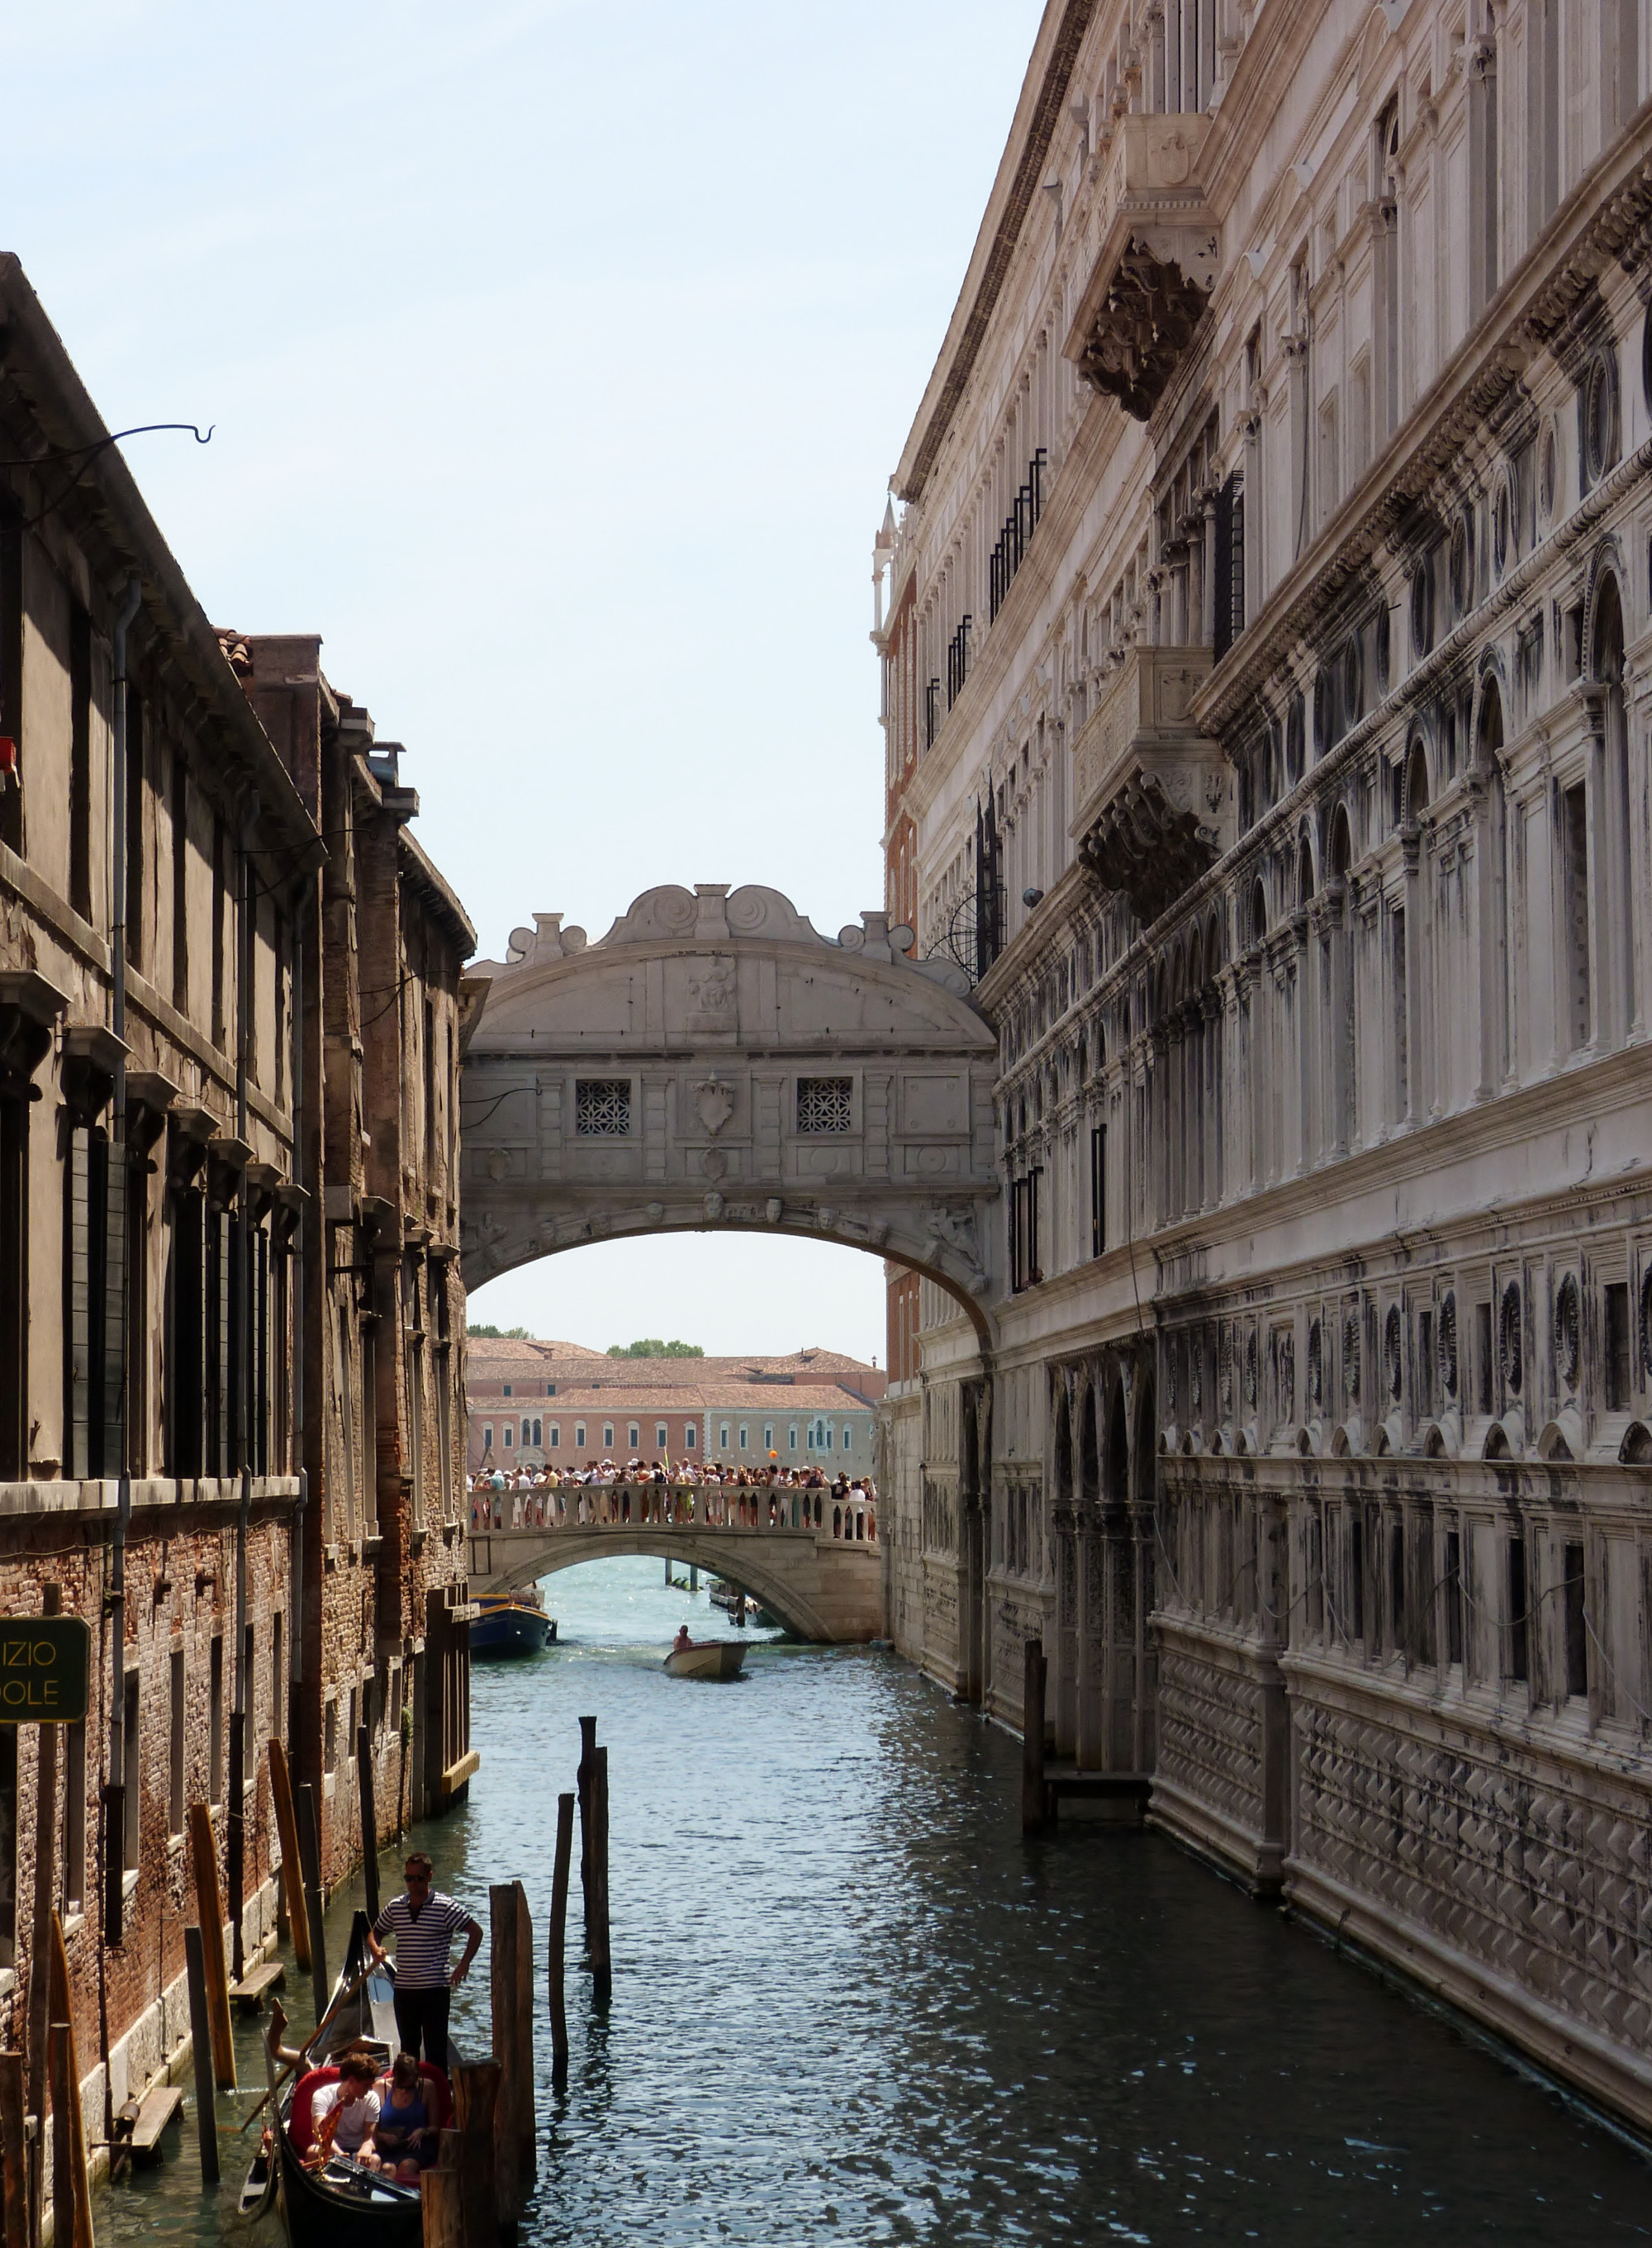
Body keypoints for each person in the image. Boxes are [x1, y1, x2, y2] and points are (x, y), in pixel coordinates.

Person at [366, 1853, 482, 2064]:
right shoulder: (396, 1907)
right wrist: (376, 1948)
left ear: (429, 1876)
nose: (412, 1883)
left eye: (417, 1878)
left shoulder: (445, 1907)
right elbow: (375, 1932)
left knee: (435, 2050)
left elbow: (475, 1931)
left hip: (434, 1991)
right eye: (408, 1878)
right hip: (404, 1990)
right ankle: (411, 2095)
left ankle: (436, 2093)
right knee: (408, 2051)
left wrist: (463, 1965)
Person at [305, 2050, 382, 2170]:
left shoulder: (372, 2099)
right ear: (351, 2080)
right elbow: (321, 2133)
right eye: (366, 2085)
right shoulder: (322, 2096)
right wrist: (340, 2156)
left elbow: (370, 2139)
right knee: (312, 2152)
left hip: (357, 2152)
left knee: (375, 2159)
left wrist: (366, 2148)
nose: (368, 2090)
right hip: (331, 2149)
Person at [370, 2051, 437, 2184]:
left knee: (406, 2167)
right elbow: (371, 2129)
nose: (404, 2091)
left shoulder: (427, 2087)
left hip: (417, 2146)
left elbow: (436, 2127)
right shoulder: (381, 2087)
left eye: (410, 2087)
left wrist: (423, 2131)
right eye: (400, 2086)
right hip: (390, 2148)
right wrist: (382, 2136)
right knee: (387, 2169)